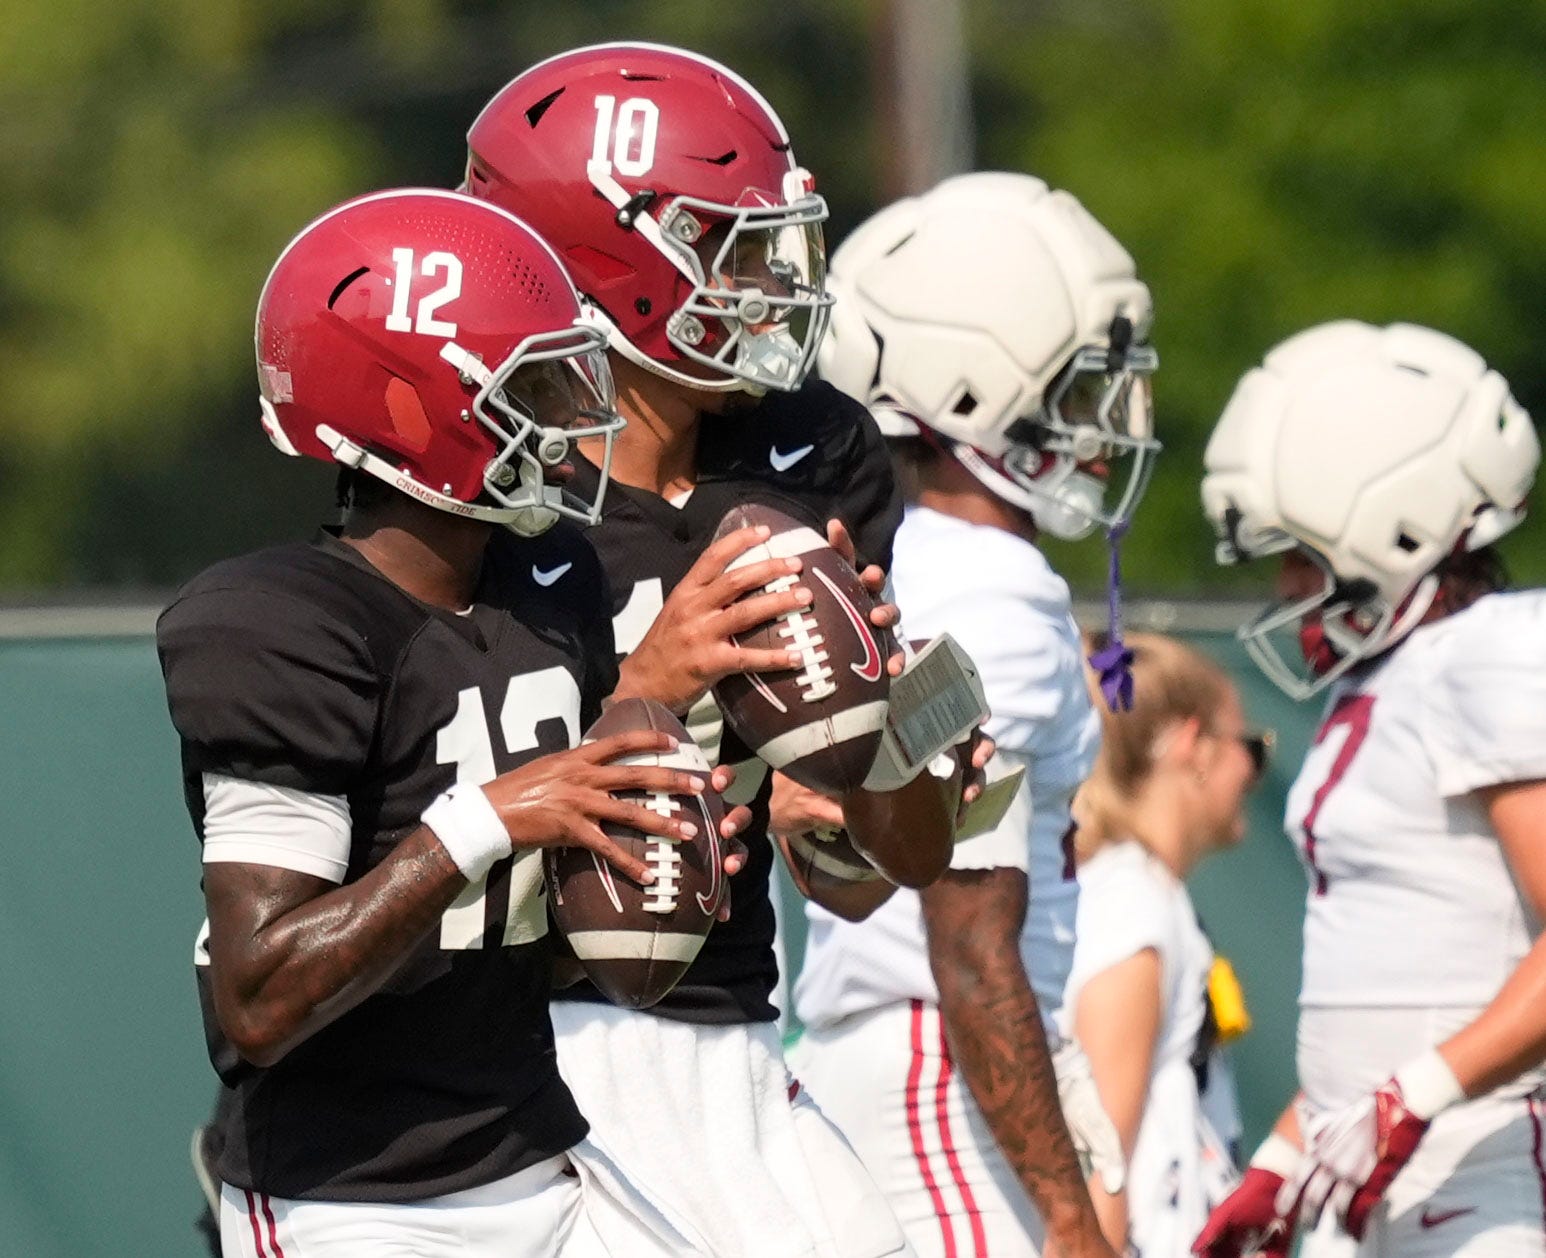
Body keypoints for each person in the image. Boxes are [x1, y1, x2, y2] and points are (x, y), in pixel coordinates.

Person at [160, 187, 803, 1257]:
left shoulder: (542, 587)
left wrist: (648, 852)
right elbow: (258, 997)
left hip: (540, 1158)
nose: (571, 415)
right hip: (355, 1197)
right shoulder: (283, 624)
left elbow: (518, 939)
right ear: (415, 408)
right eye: (535, 385)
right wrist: (488, 822)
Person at [464, 43, 969, 1258]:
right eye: (728, 253)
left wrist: (879, 743)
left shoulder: (814, 452)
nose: (764, 286)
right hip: (524, 1056)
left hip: (736, 1038)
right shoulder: (488, 509)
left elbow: (884, 867)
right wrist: (649, 686)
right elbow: (440, 848)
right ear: (606, 262)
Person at [792, 170, 1162, 1258]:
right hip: (943, 1080)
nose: (1098, 426)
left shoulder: (920, 566)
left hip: (918, 1064)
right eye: (1072, 389)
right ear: (962, 387)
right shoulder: (985, 592)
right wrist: (1063, 1215)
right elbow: (965, 933)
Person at [1192, 320, 1545, 1258]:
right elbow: (1401, 984)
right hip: (1371, 1187)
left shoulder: (1485, 654)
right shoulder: (1386, 679)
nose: (1289, 584)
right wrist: (1284, 1158)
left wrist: (1416, 1097)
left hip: (1485, 1185)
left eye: (1305, 554)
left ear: (1400, 523)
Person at [1064, 632, 1264, 1256]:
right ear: (1193, 746)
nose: (1255, 769)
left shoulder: (1145, 895)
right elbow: (1101, 1161)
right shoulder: (1132, 906)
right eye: (1249, 746)